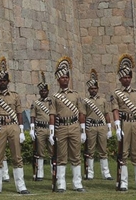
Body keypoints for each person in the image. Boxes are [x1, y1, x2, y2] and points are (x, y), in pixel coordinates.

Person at [0, 57, 30, 194]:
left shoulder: (15, 96)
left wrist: (21, 129)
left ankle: (21, 186)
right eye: (0, 81)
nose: (2, 83)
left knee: (17, 156)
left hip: (13, 124)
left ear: (8, 82)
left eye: (4, 80)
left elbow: (19, 113)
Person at [112, 54, 136, 191]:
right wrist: (117, 127)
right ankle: (123, 182)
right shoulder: (116, 94)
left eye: (129, 77)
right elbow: (115, 110)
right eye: (124, 77)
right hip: (124, 124)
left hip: (135, 124)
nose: (127, 79)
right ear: (120, 78)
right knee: (123, 153)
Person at [48, 57, 86, 192]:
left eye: (66, 77)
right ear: (58, 80)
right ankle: (61, 183)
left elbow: (81, 113)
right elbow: (52, 114)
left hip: (75, 126)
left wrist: (83, 130)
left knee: (76, 156)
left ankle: (77, 183)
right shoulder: (54, 96)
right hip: (61, 127)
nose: (65, 79)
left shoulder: (75, 95)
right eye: (62, 77)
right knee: (61, 157)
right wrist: (52, 132)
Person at [81, 69, 113, 180]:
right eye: (91, 88)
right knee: (90, 150)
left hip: (102, 126)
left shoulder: (103, 100)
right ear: (88, 89)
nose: (93, 90)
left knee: (103, 150)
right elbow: (83, 116)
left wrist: (109, 128)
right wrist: (83, 131)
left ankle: (106, 173)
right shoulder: (85, 101)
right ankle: (90, 173)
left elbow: (107, 114)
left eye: (95, 88)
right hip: (91, 127)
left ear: (97, 89)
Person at [30, 71, 52, 181]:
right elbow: (32, 116)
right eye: (41, 90)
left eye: (45, 90)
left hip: (50, 129)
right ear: (39, 91)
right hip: (40, 129)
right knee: (40, 152)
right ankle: (40, 173)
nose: (43, 92)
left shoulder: (52, 102)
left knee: (53, 151)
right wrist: (32, 129)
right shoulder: (35, 103)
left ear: (48, 91)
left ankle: (55, 172)